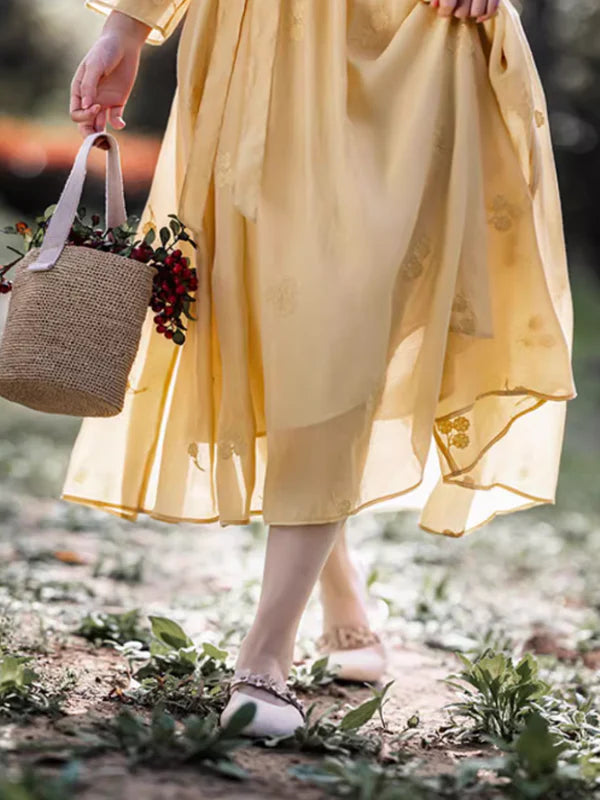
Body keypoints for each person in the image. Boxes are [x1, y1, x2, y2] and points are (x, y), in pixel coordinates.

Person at [67, 0, 576, 737]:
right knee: (279, 322)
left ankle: (265, 656)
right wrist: (128, 23)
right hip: (258, 41)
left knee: (351, 316)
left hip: (410, 34)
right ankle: (342, 593)